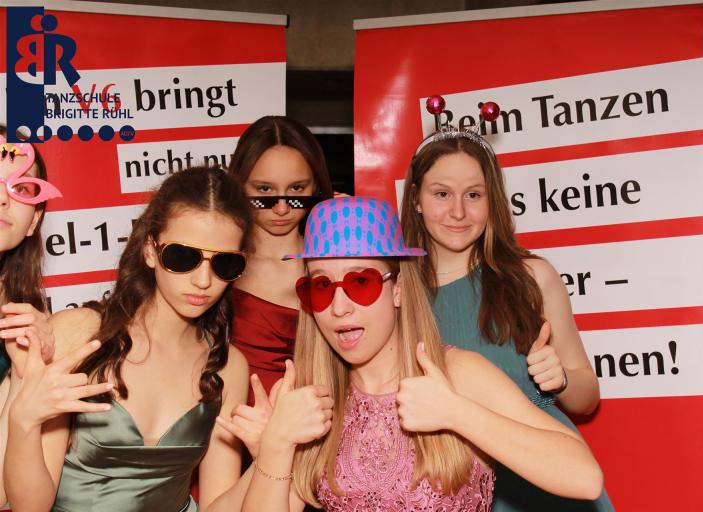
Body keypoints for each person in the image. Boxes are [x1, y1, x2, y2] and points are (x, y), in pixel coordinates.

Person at [220, 196, 604, 511]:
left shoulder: (455, 373)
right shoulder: (315, 400)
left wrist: (457, 413)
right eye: (321, 287)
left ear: (398, 288)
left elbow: (585, 479)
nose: (339, 308)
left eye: (360, 282)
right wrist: (275, 446)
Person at [4, 166, 259, 511]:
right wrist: (22, 420)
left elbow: (217, 505)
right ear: (150, 250)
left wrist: (267, 457)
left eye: (225, 264)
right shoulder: (78, 334)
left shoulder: (228, 366)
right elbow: (30, 506)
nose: (203, 281)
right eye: (183, 256)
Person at [399, 130, 614, 510]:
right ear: (416, 198)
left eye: (473, 195)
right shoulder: (395, 290)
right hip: (443, 482)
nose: (458, 212)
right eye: (442, 194)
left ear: (492, 200)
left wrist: (561, 378)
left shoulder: (532, 277)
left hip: (542, 479)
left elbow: (587, 398)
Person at [227, 116, 332, 403]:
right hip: (236, 418)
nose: (282, 208)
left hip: (326, 416)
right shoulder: (218, 266)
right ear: (240, 185)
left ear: (315, 186)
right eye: (264, 190)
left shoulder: (338, 262)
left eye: (297, 189)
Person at [0, 130, 63, 509]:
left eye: (21, 188)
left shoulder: (28, 323)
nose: (3, 198)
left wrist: (24, 374)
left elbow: (5, 492)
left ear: (34, 219)